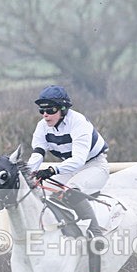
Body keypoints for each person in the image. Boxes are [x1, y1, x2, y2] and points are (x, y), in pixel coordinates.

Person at [29, 85, 109, 239]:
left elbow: (78, 160)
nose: (45, 115)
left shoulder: (78, 122)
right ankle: (65, 230)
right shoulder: (42, 126)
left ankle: (97, 235)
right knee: (39, 192)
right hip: (69, 168)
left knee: (71, 192)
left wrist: (51, 171)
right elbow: (37, 154)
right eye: (42, 110)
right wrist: (28, 173)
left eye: (50, 110)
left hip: (94, 165)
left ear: (63, 109)